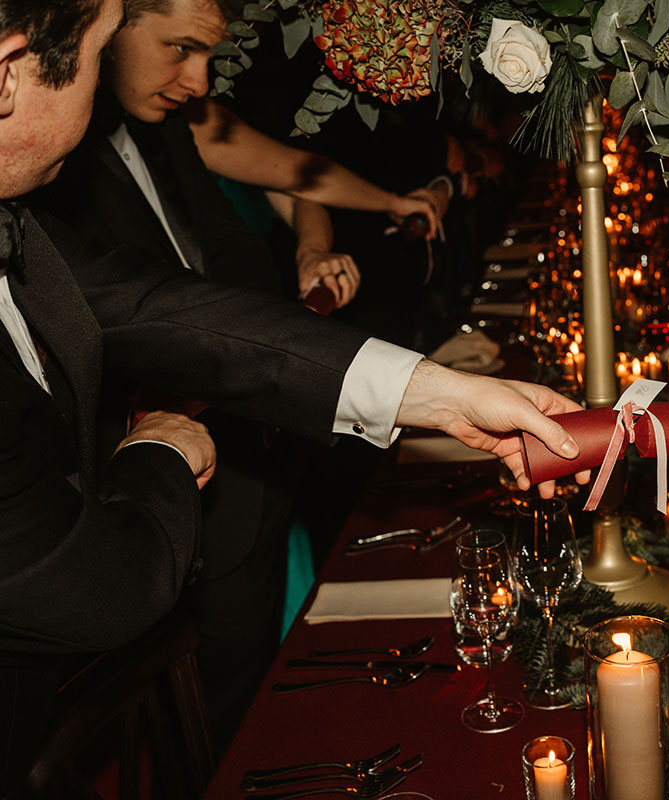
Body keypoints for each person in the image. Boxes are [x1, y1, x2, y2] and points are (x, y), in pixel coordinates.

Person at [0, 0, 583, 790]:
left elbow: (171, 313)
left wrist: (443, 395)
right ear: (8, 72)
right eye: (103, 52)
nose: (106, 82)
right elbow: (80, 582)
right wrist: (160, 456)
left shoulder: (24, 224)